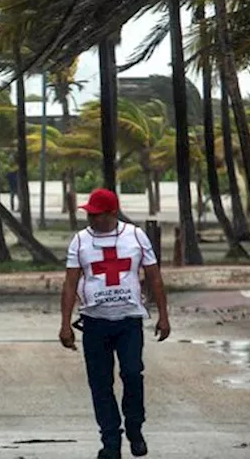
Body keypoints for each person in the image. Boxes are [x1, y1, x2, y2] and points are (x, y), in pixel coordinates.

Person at [59, 188, 170, 459]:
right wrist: (64, 323)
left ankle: (135, 426)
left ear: (111, 213)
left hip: (129, 320)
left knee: (132, 373)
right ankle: (110, 440)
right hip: (95, 322)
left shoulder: (135, 236)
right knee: (100, 383)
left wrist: (163, 316)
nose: (91, 218)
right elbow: (71, 282)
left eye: (96, 214)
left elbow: (154, 276)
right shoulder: (80, 241)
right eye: (89, 214)